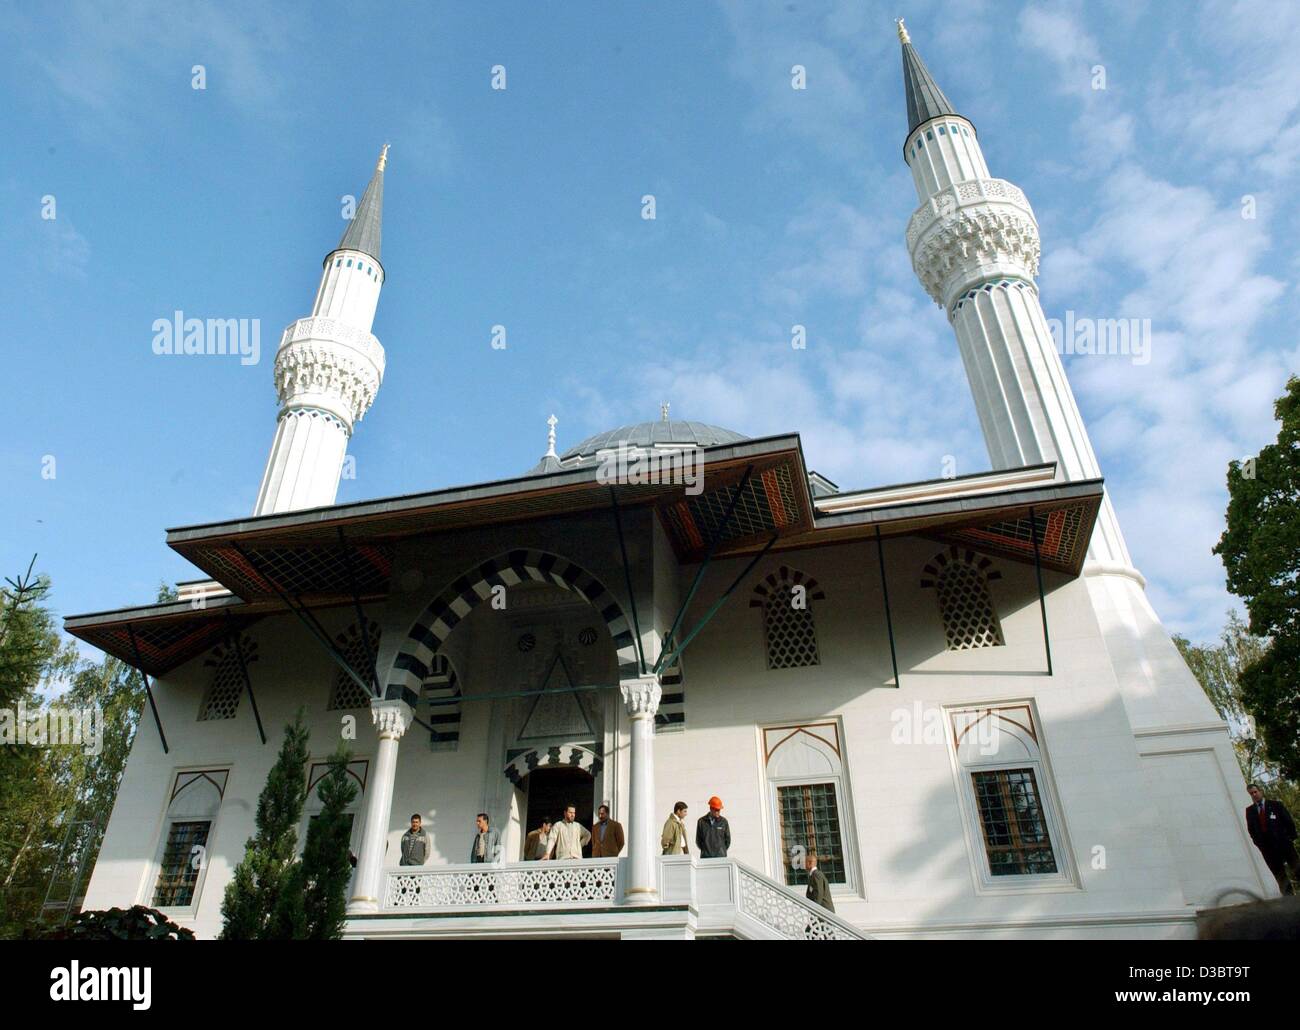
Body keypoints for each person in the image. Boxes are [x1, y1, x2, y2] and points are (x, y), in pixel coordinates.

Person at [1245, 783, 1297, 895]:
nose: (1254, 795)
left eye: (1255, 792)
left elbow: (1288, 822)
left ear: (1260, 791)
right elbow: (1252, 830)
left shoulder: (1276, 805)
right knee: (1280, 875)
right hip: (1268, 849)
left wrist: (1290, 839)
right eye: (1251, 794)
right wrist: (1260, 844)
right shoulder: (1250, 811)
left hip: (1284, 844)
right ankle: (1289, 899)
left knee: (1296, 868)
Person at [804, 848, 834, 912]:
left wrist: (815, 910)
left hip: (824, 911)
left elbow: (819, 894)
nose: (804, 865)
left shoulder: (816, 875)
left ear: (809, 863)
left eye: (805, 863)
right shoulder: (813, 875)